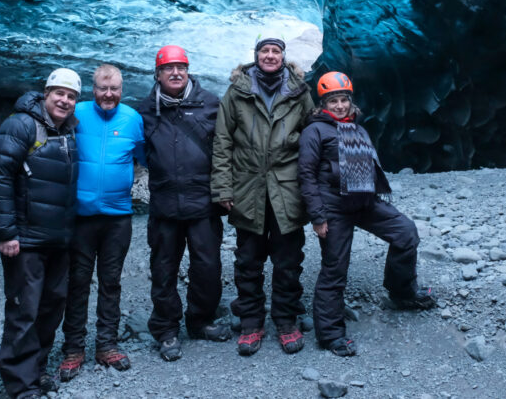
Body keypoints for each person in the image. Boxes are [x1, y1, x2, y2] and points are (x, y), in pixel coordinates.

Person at [298, 72, 437, 357]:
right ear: (323, 104)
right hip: (334, 207)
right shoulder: (315, 131)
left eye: (343, 100)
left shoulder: (358, 128)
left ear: (350, 101)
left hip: (365, 202)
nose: (339, 106)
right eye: (332, 101)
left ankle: (402, 292)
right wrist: (317, 216)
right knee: (335, 270)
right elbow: (306, 175)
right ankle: (331, 335)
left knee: (405, 232)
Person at [211, 37, 315, 356]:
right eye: (264, 51)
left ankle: (285, 321)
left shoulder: (300, 92)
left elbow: (313, 139)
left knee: (288, 261)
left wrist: (315, 190)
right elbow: (222, 141)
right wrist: (223, 188)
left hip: (288, 189)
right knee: (247, 261)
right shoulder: (237, 92)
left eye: (275, 51)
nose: (270, 56)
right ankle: (251, 323)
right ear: (255, 57)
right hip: (248, 188)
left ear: (283, 57)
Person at [0, 68, 82, 399]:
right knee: (23, 312)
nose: (64, 100)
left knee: (51, 307)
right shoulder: (21, 124)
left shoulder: (69, 130)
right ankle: (20, 385)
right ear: (46, 93)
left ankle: (35, 372)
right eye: (59, 93)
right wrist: (6, 232)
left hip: (59, 239)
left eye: (71, 96)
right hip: (25, 240)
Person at [136, 44, 230, 362]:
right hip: (164, 206)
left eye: (181, 67)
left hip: (203, 204)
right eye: (168, 68)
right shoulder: (145, 110)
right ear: (158, 74)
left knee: (208, 267)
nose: (176, 73)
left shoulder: (211, 105)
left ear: (188, 71)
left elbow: (227, 150)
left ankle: (200, 321)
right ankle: (165, 329)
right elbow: (139, 152)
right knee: (163, 269)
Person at [59, 64, 145, 382]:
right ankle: (73, 348)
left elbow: (145, 156)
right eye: (101, 88)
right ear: (92, 89)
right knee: (77, 282)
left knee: (111, 282)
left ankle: (107, 344)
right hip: (80, 216)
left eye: (114, 89)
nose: (108, 94)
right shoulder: (76, 113)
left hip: (118, 216)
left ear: (122, 90)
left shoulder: (133, 119)